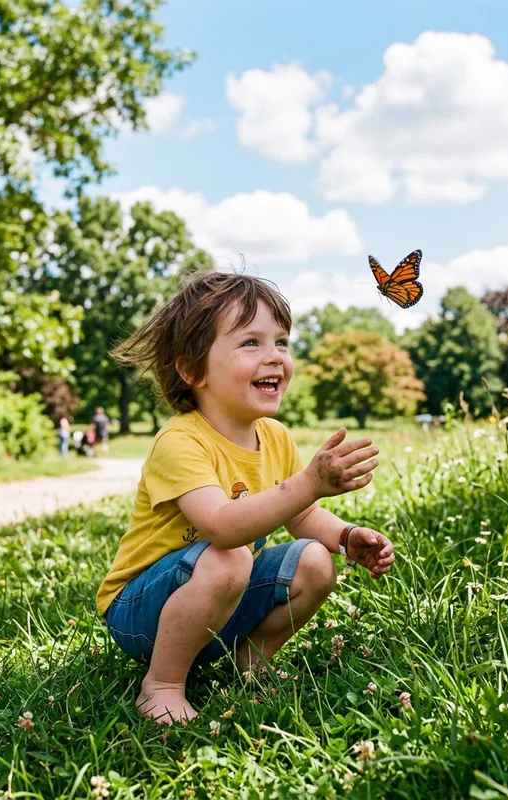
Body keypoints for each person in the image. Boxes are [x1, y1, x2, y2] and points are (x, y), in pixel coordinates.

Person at [96, 271, 395, 725]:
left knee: (315, 561)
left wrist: (345, 536)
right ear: (193, 370)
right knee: (231, 553)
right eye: (250, 343)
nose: (274, 357)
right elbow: (221, 525)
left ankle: (251, 660)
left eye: (282, 342)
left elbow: (304, 514)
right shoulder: (181, 441)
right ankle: (161, 685)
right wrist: (309, 481)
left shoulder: (274, 437)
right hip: (141, 613)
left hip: (221, 596)